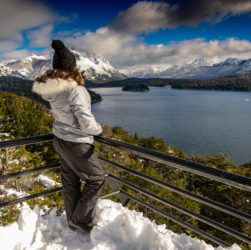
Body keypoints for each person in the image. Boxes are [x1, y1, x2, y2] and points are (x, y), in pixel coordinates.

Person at [32, 40, 108, 233]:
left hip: (60, 140)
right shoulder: (75, 89)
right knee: (98, 176)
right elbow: (86, 121)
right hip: (76, 143)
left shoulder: (53, 89)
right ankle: (79, 219)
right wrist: (99, 130)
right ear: (73, 67)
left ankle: (72, 221)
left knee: (70, 180)